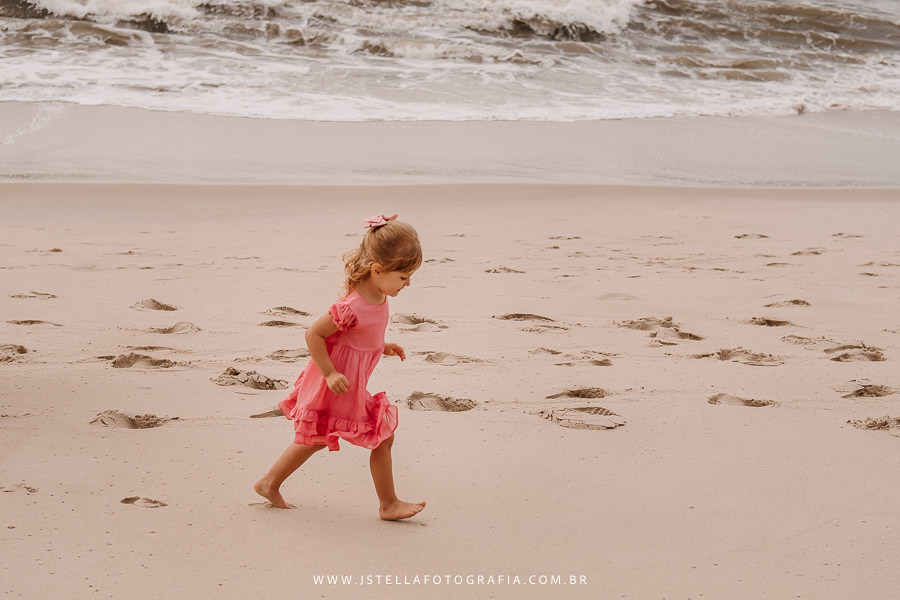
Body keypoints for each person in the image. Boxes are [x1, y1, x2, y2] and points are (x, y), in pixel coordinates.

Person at [253, 213, 426, 521]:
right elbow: (314, 334)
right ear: (377, 270)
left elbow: (358, 338)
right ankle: (388, 504)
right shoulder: (351, 307)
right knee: (379, 436)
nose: (408, 283)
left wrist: (382, 346)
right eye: (403, 277)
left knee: (317, 440)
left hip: (349, 385)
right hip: (334, 383)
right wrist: (330, 373)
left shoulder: (379, 294)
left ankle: (269, 483)